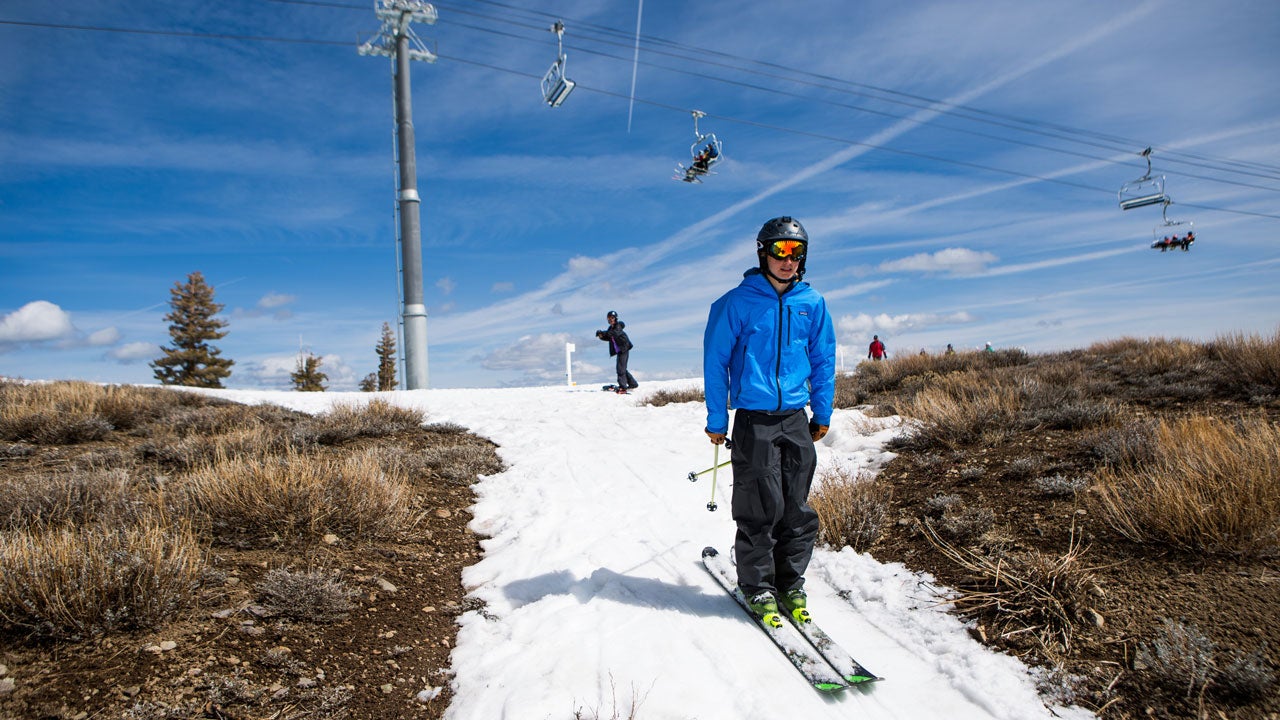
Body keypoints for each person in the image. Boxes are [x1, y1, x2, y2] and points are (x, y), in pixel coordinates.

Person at [703, 215, 836, 628]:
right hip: (754, 420)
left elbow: (823, 358)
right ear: (763, 253)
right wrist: (716, 418)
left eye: (796, 252)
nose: (788, 259)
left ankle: (790, 583)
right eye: (780, 250)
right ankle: (758, 585)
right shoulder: (735, 303)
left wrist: (823, 412)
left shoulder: (812, 303)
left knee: (796, 509)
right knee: (760, 507)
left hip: (795, 418)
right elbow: (716, 362)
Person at [596, 310, 637, 393]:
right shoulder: (610, 328)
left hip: (624, 349)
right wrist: (601, 336)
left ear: (615, 318)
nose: (610, 319)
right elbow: (608, 337)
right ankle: (633, 384)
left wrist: (602, 332)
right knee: (622, 368)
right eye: (609, 318)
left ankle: (623, 387)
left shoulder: (618, 326)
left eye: (612, 318)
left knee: (620, 369)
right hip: (619, 350)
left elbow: (613, 334)